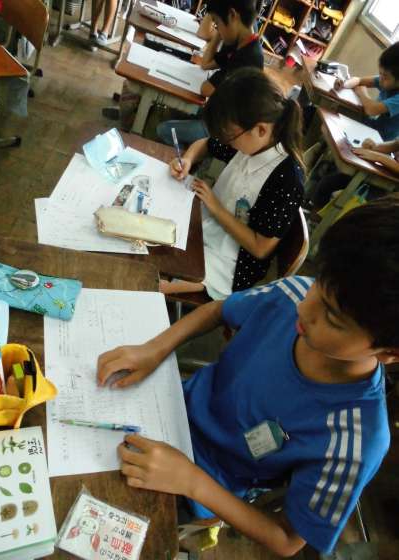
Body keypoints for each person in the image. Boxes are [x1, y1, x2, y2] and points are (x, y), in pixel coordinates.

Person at [96, 195, 399, 556]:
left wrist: (191, 481)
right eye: (318, 284)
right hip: (168, 404)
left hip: (199, 487)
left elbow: (287, 539)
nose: (306, 307)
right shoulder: (293, 295)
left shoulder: (356, 440)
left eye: (332, 318)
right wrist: (155, 349)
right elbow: (219, 311)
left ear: (388, 353)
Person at [160, 67, 304, 300]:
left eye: (230, 136)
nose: (227, 142)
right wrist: (187, 160)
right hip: (208, 224)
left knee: (156, 280)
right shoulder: (251, 140)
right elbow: (205, 144)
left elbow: (260, 248)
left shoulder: (286, 178)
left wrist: (216, 207)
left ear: (261, 129)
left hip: (233, 262)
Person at [156, 0, 264, 148]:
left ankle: (191, 158)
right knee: (170, 113)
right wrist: (220, 32)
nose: (217, 29)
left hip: (223, 130)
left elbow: (206, 89)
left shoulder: (249, 57)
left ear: (232, 15)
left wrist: (222, 30)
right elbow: (206, 63)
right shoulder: (238, 39)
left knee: (164, 130)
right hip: (215, 112)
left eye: (217, 23)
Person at [334, 42, 399, 141]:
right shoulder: (385, 80)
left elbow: (372, 110)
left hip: (378, 139)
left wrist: (362, 93)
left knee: (332, 125)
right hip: (369, 125)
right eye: (380, 73)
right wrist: (344, 83)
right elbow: (359, 80)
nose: (380, 79)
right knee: (334, 112)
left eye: (385, 77)